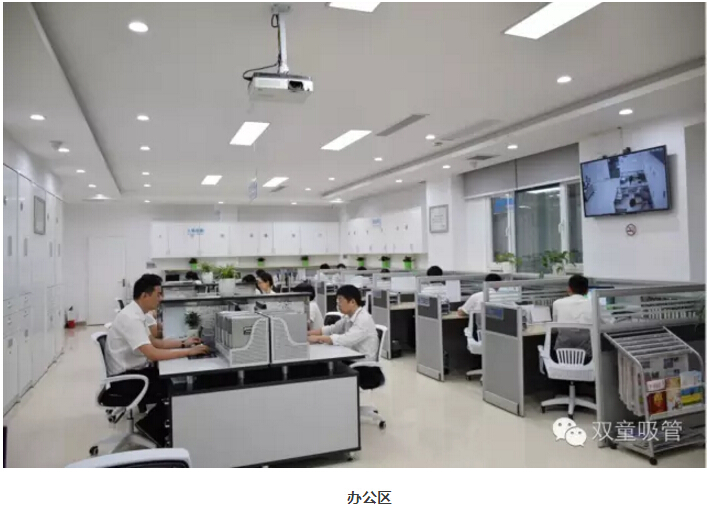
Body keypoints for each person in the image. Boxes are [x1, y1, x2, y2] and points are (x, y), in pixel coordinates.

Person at [308, 285, 383, 389]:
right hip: (351, 359)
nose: (338, 304)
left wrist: (317, 338)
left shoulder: (363, 319)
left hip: (364, 367)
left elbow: (345, 340)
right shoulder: (349, 316)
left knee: (322, 368)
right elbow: (332, 329)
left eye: (340, 300)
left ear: (352, 302)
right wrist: (308, 333)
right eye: (337, 301)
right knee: (320, 365)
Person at [552, 275, 592, 358]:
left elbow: (555, 328)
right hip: (586, 357)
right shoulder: (594, 305)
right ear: (587, 291)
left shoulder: (557, 303)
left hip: (561, 356)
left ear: (569, 289)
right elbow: (609, 323)